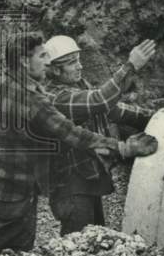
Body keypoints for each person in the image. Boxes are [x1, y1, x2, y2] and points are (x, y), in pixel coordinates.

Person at [0, 31, 156, 254]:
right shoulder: (44, 100)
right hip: (25, 195)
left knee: (7, 254)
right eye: (42, 57)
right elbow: (77, 130)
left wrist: (152, 116)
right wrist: (123, 147)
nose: (46, 63)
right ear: (24, 61)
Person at [43, 35, 156, 236]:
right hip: (69, 187)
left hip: (87, 179)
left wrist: (154, 118)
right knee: (78, 246)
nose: (79, 66)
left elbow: (112, 109)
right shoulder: (55, 97)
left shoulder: (77, 86)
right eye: (71, 63)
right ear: (54, 69)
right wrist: (130, 66)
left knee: (94, 240)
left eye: (78, 60)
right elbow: (100, 100)